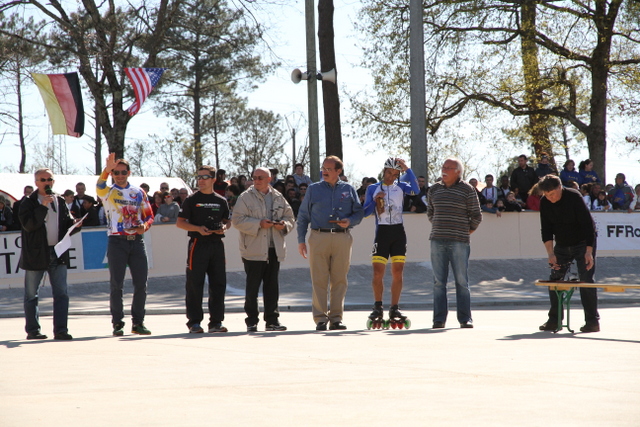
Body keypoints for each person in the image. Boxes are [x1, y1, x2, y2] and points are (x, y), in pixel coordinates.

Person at [297, 155, 364, 331]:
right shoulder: (313, 189)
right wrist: (301, 240)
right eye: (323, 168)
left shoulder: (349, 189)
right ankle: (320, 318)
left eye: (328, 169)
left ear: (338, 171)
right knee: (319, 279)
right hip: (319, 237)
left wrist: (349, 221)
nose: (324, 172)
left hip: (342, 238)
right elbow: (303, 216)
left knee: (340, 279)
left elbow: (358, 213)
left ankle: (336, 319)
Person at [97, 153, 155, 336]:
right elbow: (99, 186)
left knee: (141, 285)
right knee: (117, 284)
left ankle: (138, 323)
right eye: (116, 172)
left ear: (129, 173)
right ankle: (117, 323)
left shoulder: (138, 192)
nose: (120, 175)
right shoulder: (108, 191)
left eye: (123, 172)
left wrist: (144, 227)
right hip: (116, 241)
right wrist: (106, 170)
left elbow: (149, 215)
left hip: (137, 242)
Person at [19, 168, 80, 340]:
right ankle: (33, 330)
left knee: (61, 293)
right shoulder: (28, 203)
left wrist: (76, 224)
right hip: (36, 254)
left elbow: (65, 224)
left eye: (49, 179)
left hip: (57, 252)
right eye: (43, 180)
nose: (47, 182)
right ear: (36, 182)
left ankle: (61, 330)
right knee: (31, 294)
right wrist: (43, 206)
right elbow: (30, 225)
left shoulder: (59, 200)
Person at [232, 167, 295, 332]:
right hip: (253, 249)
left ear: (269, 179)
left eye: (260, 177)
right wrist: (258, 224)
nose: (256, 180)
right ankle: (251, 320)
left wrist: (284, 225)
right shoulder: (245, 197)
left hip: (274, 248)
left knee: (272, 287)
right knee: (252, 288)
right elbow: (237, 220)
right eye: (254, 177)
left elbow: (290, 218)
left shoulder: (279, 197)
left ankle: (272, 320)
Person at [538, 174, 599, 333]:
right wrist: (551, 254)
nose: (550, 198)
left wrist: (588, 252)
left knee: (586, 280)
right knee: (554, 280)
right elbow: (546, 230)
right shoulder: (544, 202)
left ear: (560, 188)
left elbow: (588, 225)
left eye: (552, 194)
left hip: (582, 243)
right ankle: (554, 320)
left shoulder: (573, 196)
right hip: (562, 245)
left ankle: (592, 321)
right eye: (546, 195)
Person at [363, 157, 419, 326]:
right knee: (378, 272)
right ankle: (378, 306)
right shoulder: (373, 188)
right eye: (389, 173)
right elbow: (365, 212)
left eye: (395, 174)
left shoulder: (400, 186)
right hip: (382, 232)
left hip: (398, 232)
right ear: (384, 170)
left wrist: (407, 169)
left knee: (398, 271)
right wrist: (374, 201)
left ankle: (394, 307)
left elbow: (416, 190)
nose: (391, 177)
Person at [427, 158, 482, 329]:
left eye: (449, 168)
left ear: (458, 171)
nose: (444, 170)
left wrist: (466, 231)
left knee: (461, 281)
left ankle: (465, 318)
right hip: (437, 240)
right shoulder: (434, 189)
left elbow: (476, 215)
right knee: (438, 282)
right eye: (443, 167)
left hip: (459, 242)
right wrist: (440, 225)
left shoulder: (467, 189)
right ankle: (438, 319)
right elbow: (430, 213)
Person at [176, 165, 231, 333]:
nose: (200, 180)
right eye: (199, 177)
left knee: (218, 283)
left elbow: (227, 221)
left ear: (213, 179)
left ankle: (216, 322)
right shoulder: (191, 200)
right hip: (197, 244)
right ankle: (194, 322)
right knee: (194, 283)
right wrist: (198, 228)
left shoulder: (221, 200)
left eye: (205, 177)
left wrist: (224, 227)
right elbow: (180, 222)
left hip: (216, 245)